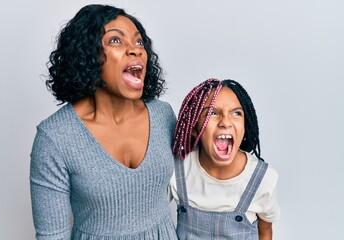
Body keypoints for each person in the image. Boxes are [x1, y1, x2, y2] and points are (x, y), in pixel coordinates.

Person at [30, 4, 178, 239]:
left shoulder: (163, 116)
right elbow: (51, 235)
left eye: (139, 42)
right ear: (87, 55)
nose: (135, 50)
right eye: (116, 41)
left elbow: (200, 179)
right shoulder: (55, 138)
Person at [168, 78, 280, 239]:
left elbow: (265, 232)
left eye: (236, 113)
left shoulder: (264, 179)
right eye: (212, 113)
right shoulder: (177, 170)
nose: (225, 122)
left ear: (245, 124)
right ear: (194, 126)